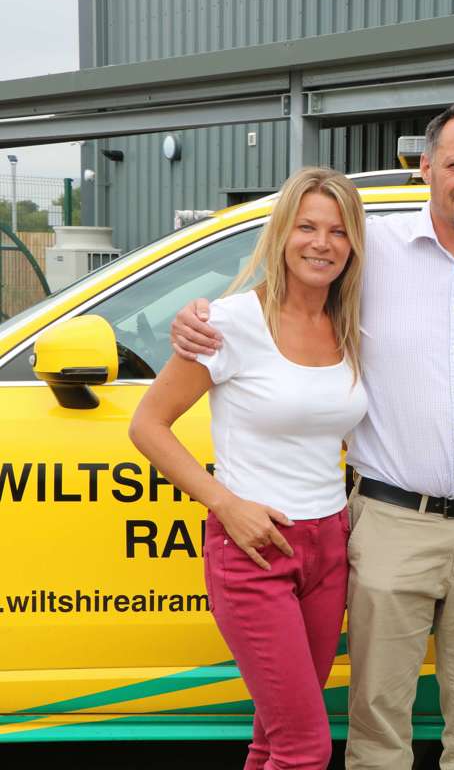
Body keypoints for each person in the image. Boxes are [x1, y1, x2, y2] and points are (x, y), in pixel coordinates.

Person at [170, 99, 454, 770]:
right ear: (425, 167)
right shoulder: (368, 252)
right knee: (376, 729)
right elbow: (286, 295)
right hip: (392, 521)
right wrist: (196, 318)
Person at [130, 166, 368, 770]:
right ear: (282, 233)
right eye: (308, 227)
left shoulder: (348, 327)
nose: (322, 243)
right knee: (305, 747)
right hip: (255, 548)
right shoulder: (232, 323)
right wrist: (226, 504)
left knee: (274, 738)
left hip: (329, 544)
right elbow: (148, 426)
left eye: (338, 231)